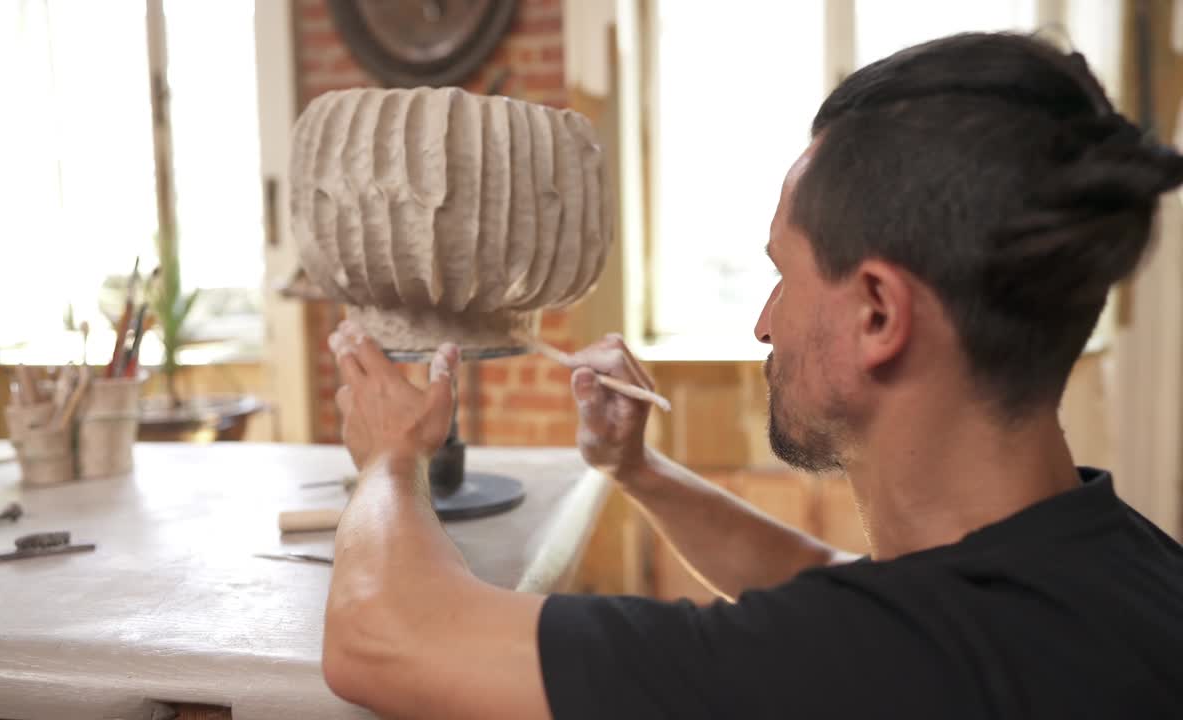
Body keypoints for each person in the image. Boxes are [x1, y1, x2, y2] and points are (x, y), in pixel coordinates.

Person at [318, 32, 1183, 719]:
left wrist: (391, 459)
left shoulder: (873, 668)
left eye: (786, 274)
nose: (764, 320)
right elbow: (832, 580)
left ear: (879, 313)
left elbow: (381, 637)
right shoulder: (1123, 572)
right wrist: (637, 471)